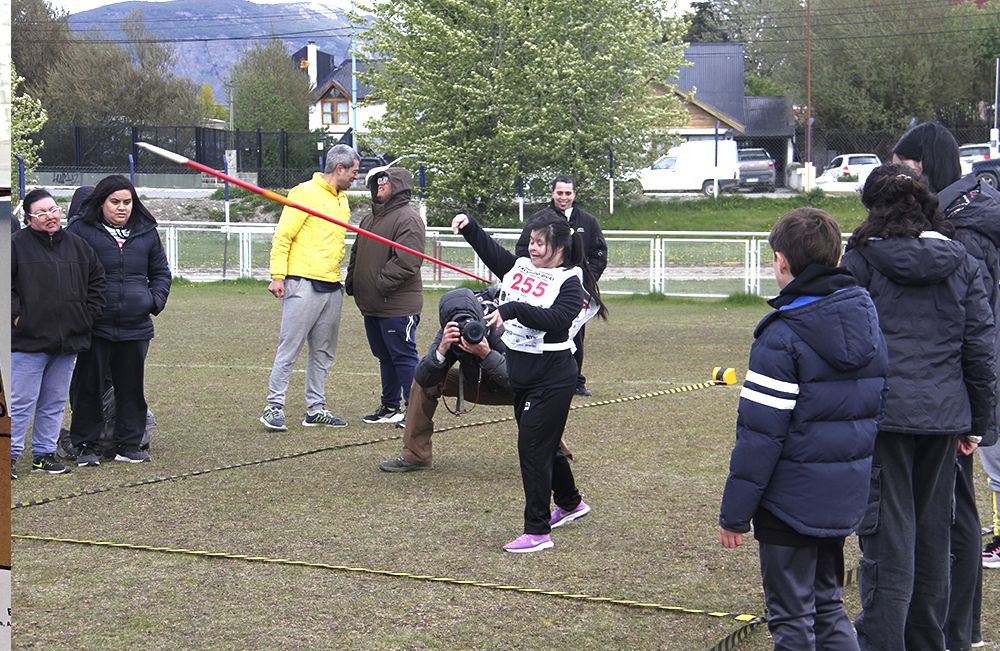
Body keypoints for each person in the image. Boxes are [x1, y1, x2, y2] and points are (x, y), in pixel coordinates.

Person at [842, 164, 997, 651]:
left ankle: (886, 642)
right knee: (932, 537)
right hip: (940, 417)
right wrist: (979, 420)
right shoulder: (963, 261)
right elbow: (980, 348)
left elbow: (847, 344)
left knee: (892, 540)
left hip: (886, 419)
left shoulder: (860, 262)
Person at [718, 208, 888, 650]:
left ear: (781, 262)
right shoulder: (867, 316)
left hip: (788, 505)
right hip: (841, 496)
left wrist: (734, 514)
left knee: (792, 618)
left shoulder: (780, 336)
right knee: (828, 605)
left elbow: (760, 436)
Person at [892, 120, 1000, 651]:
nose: (897, 176)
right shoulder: (958, 216)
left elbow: (975, 324)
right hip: (947, 393)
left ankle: (956, 629)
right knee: (948, 510)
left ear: (925, 166)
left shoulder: (966, 229)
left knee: (953, 514)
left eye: (903, 165)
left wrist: (978, 416)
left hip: (950, 399)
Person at [452, 209, 606, 553]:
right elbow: (494, 254)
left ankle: (537, 532)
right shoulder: (521, 268)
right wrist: (470, 227)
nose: (533, 249)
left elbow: (559, 319)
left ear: (560, 248)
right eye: (531, 242)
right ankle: (570, 503)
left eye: (540, 244)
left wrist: (513, 310)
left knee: (532, 450)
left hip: (552, 377)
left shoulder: (571, 281)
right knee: (544, 443)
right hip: (522, 374)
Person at [66, 175, 171, 465]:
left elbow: (161, 272)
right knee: (89, 386)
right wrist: (83, 311)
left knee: (131, 388)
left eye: (127, 202)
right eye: (115, 202)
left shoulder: (147, 232)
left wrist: (152, 301)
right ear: (101, 203)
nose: (121, 208)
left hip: (135, 327)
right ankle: (85, 446)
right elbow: (69, 273)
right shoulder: (81, 231)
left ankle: (129, 445)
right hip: (95, 325)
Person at [260, 144, 359, 431]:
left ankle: (316, 408)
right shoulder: (303, 193)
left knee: (324, 352)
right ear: (339, 168)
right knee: (290, 347)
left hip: (331, 285)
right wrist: (277, 275)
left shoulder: (343, 200)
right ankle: (273, 407)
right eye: (353, 171)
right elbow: (283, 236)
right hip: (302, 282)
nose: (356, 177)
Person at [11, 189, 106, 478]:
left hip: (69, 341)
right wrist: (17, 317)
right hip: (28, 343)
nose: (50, 216)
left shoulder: (78, 246)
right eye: (41, 213)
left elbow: (97, 282)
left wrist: (86, 316)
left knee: (53, 402)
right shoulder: (14, 246)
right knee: (20, 402)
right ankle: (9, 457)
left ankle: (44, 454)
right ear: (28, 218)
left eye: (53, 209)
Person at [378, 286, 511, 471]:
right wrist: (441, 351)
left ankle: (553, 454)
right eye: (457, 321)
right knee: (424, 380)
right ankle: (416, 456)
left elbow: (517, 380)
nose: (465, 326)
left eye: (469, 320)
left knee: (540, 392)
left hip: (515, 389)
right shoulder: (449, 332)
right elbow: (424, 377)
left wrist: (486, 354)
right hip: (477, 384)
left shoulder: (497, 327)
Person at [345, 167, 425, 426]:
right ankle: (390, 407)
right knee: (385, 357)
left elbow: (407, 261)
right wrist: (353, 280)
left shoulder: (408, 219)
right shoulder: (369, 220)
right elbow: (357, 253)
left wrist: (379, 284)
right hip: (373, 306)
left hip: (397, 306)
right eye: (377, 180)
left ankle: (415, 410)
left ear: (399, 185)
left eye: (386, 180)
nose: (380, 184)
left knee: (403, 356)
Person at [515, 176, 607, 396]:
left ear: (575, 194)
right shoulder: (539, 220)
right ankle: (538, 375)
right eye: (560, 193)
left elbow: (599, 254)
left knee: (575, 333)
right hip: (543, 290)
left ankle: (575, 380)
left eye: (568, 193)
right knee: (540, 329)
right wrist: (539, 274)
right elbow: (522, 251)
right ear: (552, 193)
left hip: (574, 292)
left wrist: (586, 280)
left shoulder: (588, 221)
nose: (564, 197)